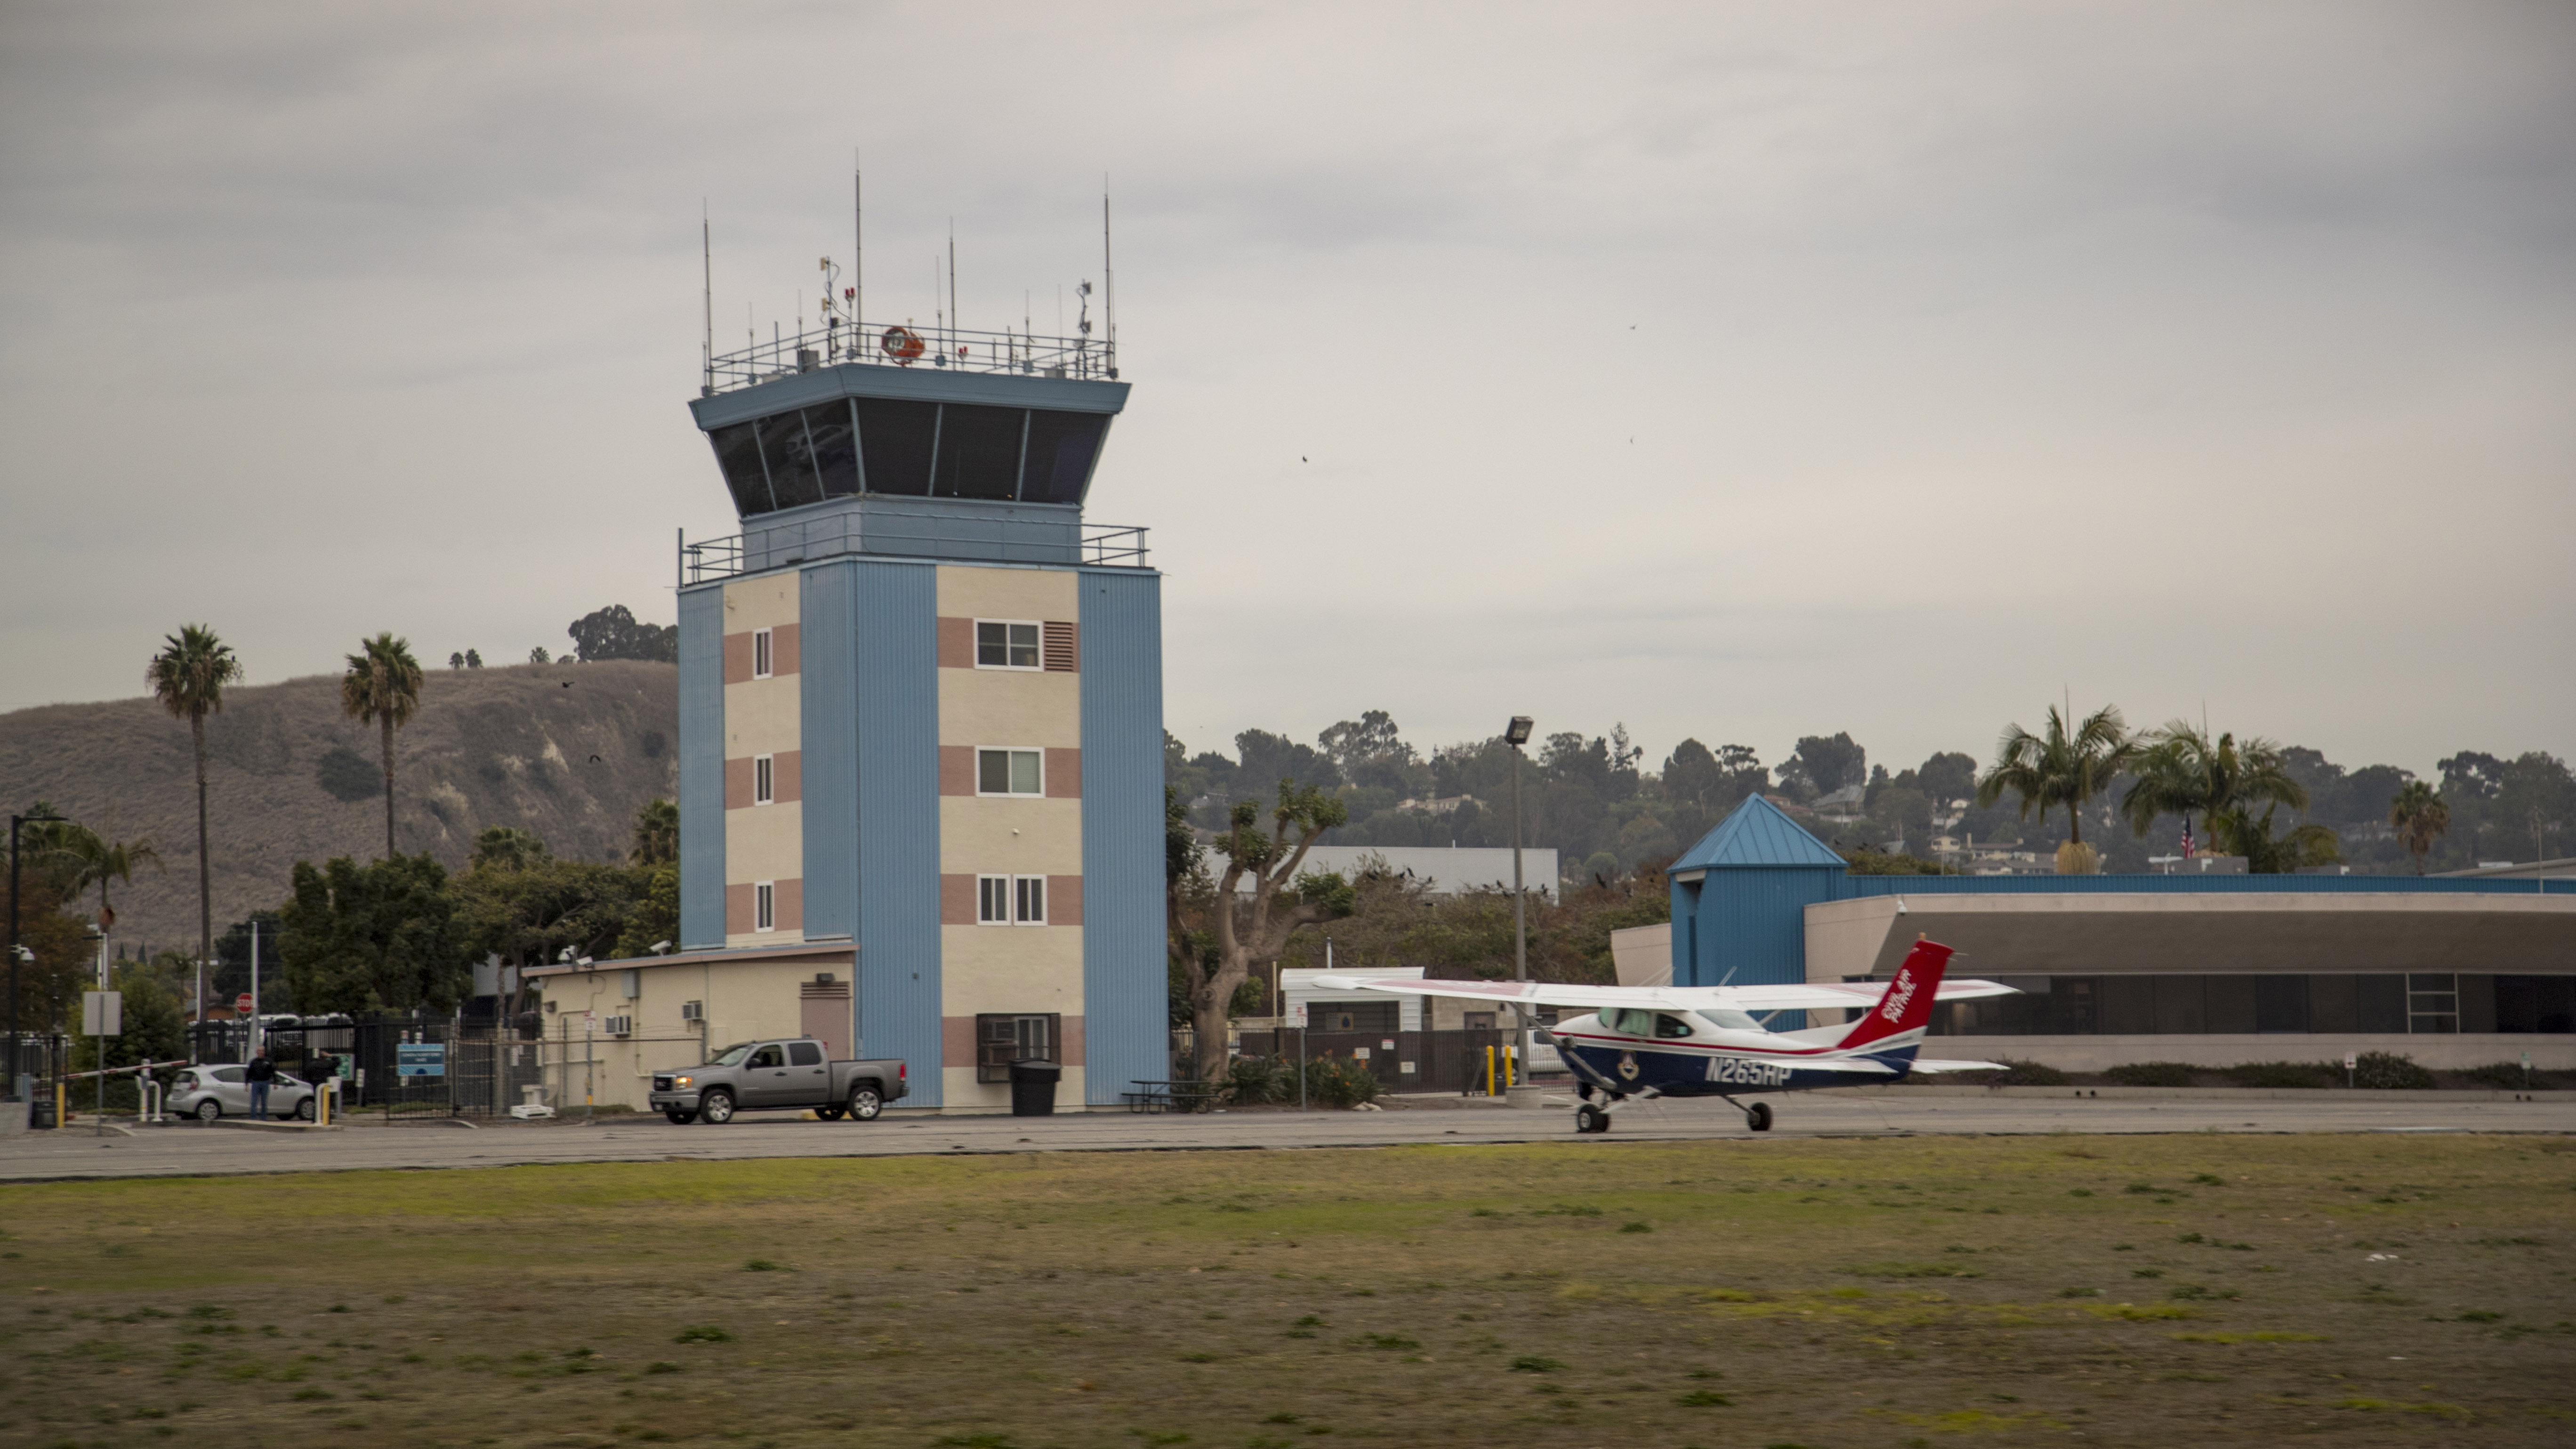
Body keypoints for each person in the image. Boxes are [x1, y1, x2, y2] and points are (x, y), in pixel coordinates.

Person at [245, 1051, 277, 1118]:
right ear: (257, 1052)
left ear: (264, 1052)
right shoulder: (253, 1062)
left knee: (264, 1102)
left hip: (265, 1083)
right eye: (259, 1051)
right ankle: (253, 1118)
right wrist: (246, 1083)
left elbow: (273, 1072)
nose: (261, 1052)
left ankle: (263, 1119)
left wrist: (275, 1083)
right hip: (256, 1083)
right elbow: (249, 1073)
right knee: (254, 1102)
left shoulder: (269, 1061)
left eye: (262, 1051)